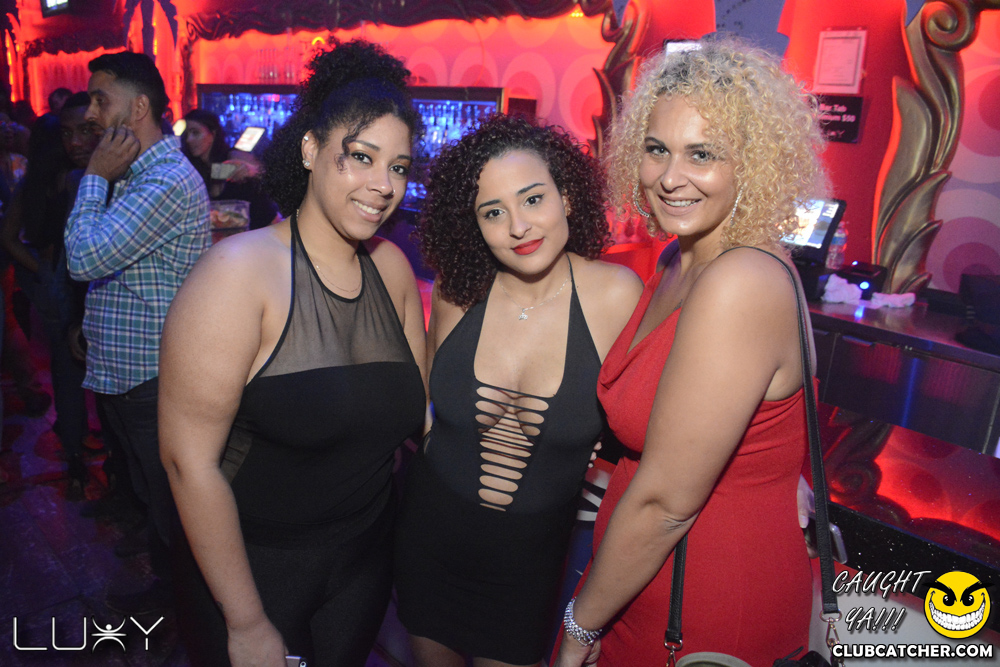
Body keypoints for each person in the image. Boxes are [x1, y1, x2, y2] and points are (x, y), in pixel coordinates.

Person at [553, 39, 827, 667]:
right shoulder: (681, 259)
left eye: (702, 154)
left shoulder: (739, 282)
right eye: (657, 149)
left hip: (705, 605)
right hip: (639, 583)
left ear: (751, 163)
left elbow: (666, 504)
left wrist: (578, 626)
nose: (670, 178)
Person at [159, 39, 427, 667]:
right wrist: (247, 622)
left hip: (364, 559)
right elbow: (188, 463)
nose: (382, 185)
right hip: (255, 568)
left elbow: (419, 418)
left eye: (399, 167)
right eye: (361, 157)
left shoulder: (391, 268)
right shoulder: (236, 275)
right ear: (310, 149)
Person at [394, 114, 642, 667]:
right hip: (429, 540)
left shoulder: (616, 296)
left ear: (567, 197)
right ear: (473, 224)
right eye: (493, 212)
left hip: (529, 566)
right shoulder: (459, 290)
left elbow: (651, 420)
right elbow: (430, 408)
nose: (519, 227)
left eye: (533, 199)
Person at [64, 51, 210, 613]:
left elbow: (85, 256)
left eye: (101, 99)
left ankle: (183, 610)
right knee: (153, 493)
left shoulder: (166, 180)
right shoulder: (139, 173)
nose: (92, 112)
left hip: (154, 376)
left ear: (140, 107)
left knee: (173, 504)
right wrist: (89, 325)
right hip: (128, 370)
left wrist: (93, 177)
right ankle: (166, 579)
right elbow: (120, 269)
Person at [1, 92, 99, 497]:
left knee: (67, 366)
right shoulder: (74, 179)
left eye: (84, 132)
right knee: (81, 366)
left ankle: (75, 453)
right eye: (68, 134)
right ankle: (84, 452)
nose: (75, 142)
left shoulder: (40, 178)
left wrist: (39, 269)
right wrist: (46, 270)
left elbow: (9, 236)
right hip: (71, 286)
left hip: (57, 281)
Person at [180, 108, 279, 230]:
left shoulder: (232, 159)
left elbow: (267, 176)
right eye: (186, 134)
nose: (189, 140)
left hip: (257, 232)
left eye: (195, 133)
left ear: (213, 134)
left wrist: (251, 171)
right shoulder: (192, 169)